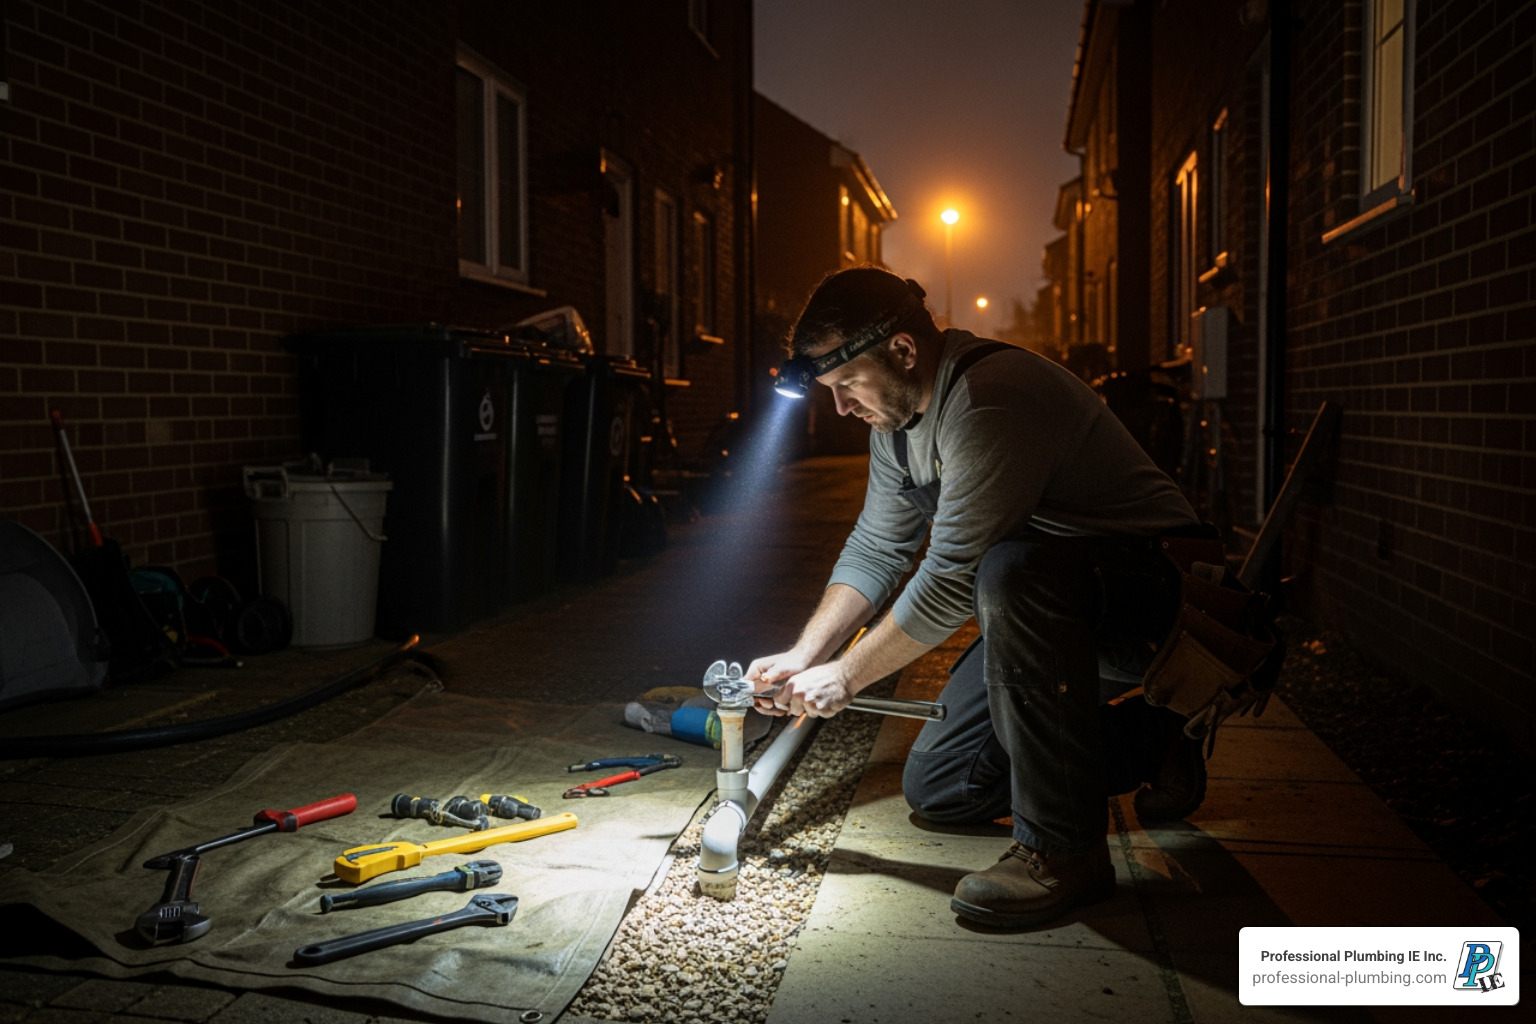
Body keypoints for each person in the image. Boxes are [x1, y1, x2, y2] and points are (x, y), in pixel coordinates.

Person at [746, 266, 1210, 929]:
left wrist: (845, 677)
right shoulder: (896, 424)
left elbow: (951, 579)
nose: (841, 408)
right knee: (944, 785)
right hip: (1045, 611)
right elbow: (878, 548)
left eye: (848, 384)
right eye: (830, 391)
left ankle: (1063, 851)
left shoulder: (992, 398)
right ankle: (1155, 740)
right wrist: (805, 654)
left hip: (1155, 607)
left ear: (904, 350)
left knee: (1008, 571)